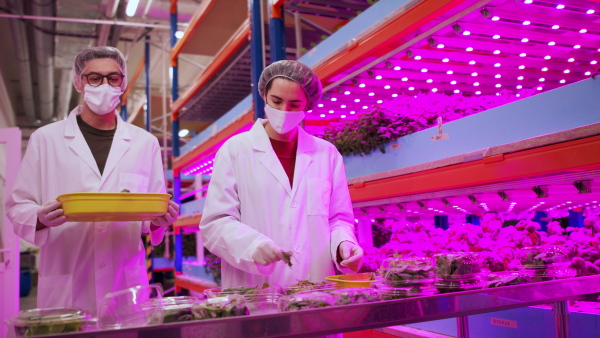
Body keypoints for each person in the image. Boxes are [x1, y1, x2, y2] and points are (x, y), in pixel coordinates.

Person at [6, 46, 179, 315]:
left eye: (113, 78)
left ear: (122, 84)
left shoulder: (145, 143)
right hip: (67, 278)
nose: (105, 85)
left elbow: (151, 214)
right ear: (79, 81)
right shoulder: (46, 139)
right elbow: (17, 206)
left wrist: (160, 220)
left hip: (124, 283)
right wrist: (39, 217)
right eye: (94, 78)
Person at [200, 60, 363, 288]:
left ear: (308, 105)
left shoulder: (327, 153)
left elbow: (338, 219)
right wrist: (251, 246)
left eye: (295, 104)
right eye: (276, 101)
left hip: (315, 285)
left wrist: (343, 244)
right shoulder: (235, 150)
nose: (284, 111)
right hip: (256, 287)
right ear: (264, 94)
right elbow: (215, 223)